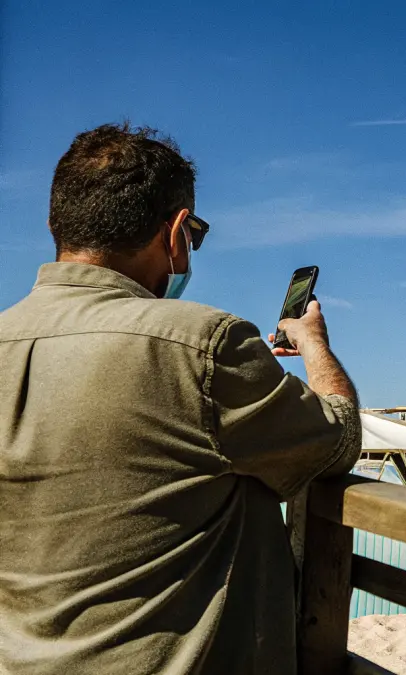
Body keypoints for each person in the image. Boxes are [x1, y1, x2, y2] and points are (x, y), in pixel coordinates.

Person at [0, 124, 362, 675]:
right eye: (195, 233)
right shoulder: (202, 345)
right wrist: (314, 346)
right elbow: (337, 440)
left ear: (57, 225)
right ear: (175, 233)